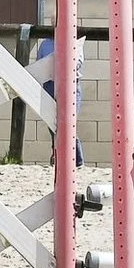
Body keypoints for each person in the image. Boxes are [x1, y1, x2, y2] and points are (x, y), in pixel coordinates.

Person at [31, 30, 83, 168]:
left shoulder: (75, 43)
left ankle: (77, 159)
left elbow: (78, 62)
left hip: (70, 84)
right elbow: (39, 64)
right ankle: (57, 154)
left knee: (69, 122)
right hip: (50, 83)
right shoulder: (45, 44)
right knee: (52, 121)